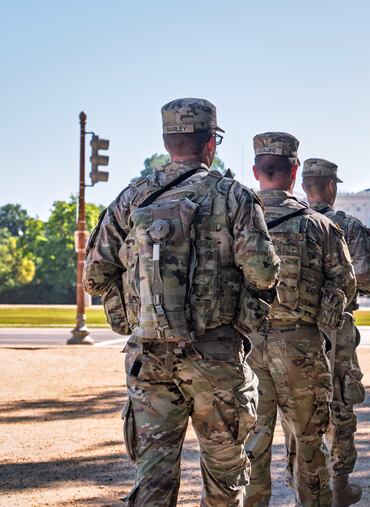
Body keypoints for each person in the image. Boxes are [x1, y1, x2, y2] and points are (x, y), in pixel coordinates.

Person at [83, 98, 280, 506]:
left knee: (153, 479)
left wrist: (135, 311)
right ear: (212, 143)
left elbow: (94, 275)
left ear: (167, 140)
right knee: (225, 479)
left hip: (149, 357)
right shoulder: (233, 197)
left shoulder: (132, 198)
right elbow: (263, 271)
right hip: (216, 356)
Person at [244, 134, 356, 507]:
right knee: (309, 446)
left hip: (246, 348)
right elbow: (345, 285)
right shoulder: (320, 227)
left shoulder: (235, 221)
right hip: (301, 347)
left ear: (256, 171)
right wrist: (318, 324)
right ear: (294, 172)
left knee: (250, 445)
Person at [300, 157, 370, 507]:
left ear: (305, 185)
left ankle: (300, 480)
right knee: (341, 403)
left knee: (297, 407)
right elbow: (364, 278)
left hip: (293, 330)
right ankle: (339, 482)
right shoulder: (349, 226)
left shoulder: (286, 222)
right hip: (337, 329)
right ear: (332, 186)